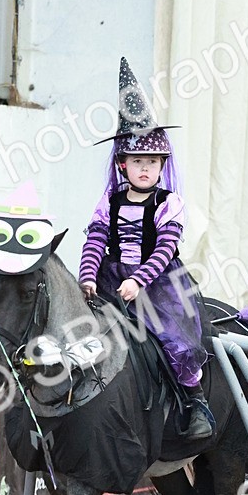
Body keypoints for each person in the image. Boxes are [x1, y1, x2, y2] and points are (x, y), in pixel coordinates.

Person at [79, 57, 214, 439]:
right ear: (123, 164)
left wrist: (138, 281)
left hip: (158, 283)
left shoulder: (169, 203)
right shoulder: (109, 201)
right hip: (112, 279)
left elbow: (165, 249)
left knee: (174, 339)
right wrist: (87, 277)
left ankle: (196, 403)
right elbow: (96, 240)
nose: (144, 169)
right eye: (137, 161)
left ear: (161, 166)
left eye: (152, 163)